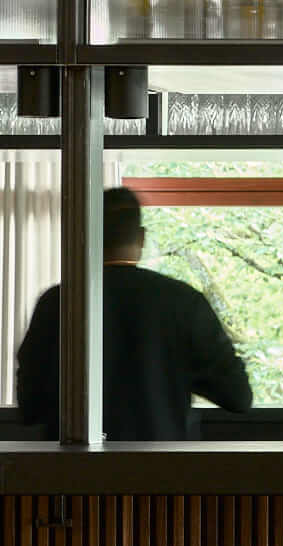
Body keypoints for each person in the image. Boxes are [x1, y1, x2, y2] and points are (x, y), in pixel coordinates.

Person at [14, 186, 252, 439]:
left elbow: (30, 407)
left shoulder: (57, 303)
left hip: (74, 470)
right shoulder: (183, 302)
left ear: (85, 236)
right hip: (161, 469)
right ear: (141, 238)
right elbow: (238, 397)